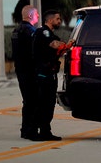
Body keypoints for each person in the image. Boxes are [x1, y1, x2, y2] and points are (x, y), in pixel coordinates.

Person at [32, 10, 72, 141]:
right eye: (57, 19)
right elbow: (55, 45)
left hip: (50, 73)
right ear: (49, 20)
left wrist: (66, 46)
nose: (59, 21)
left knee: (49, 104)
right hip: (43, 75)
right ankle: (36, 131)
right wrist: (66, 45)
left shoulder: (50, 34)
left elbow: (58, 51)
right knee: (43, 103)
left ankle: (45, 131)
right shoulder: (44, 32)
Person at [11, 5, 39, 140]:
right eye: (36, 14)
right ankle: (31, 131)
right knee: (32, 101)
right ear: (30, 16)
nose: (38, 17)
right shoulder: (30, 31)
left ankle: (25, 130)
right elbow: (34, 52)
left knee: (27, 101)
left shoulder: (16, 30)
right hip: (30, 70)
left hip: (21, 70)